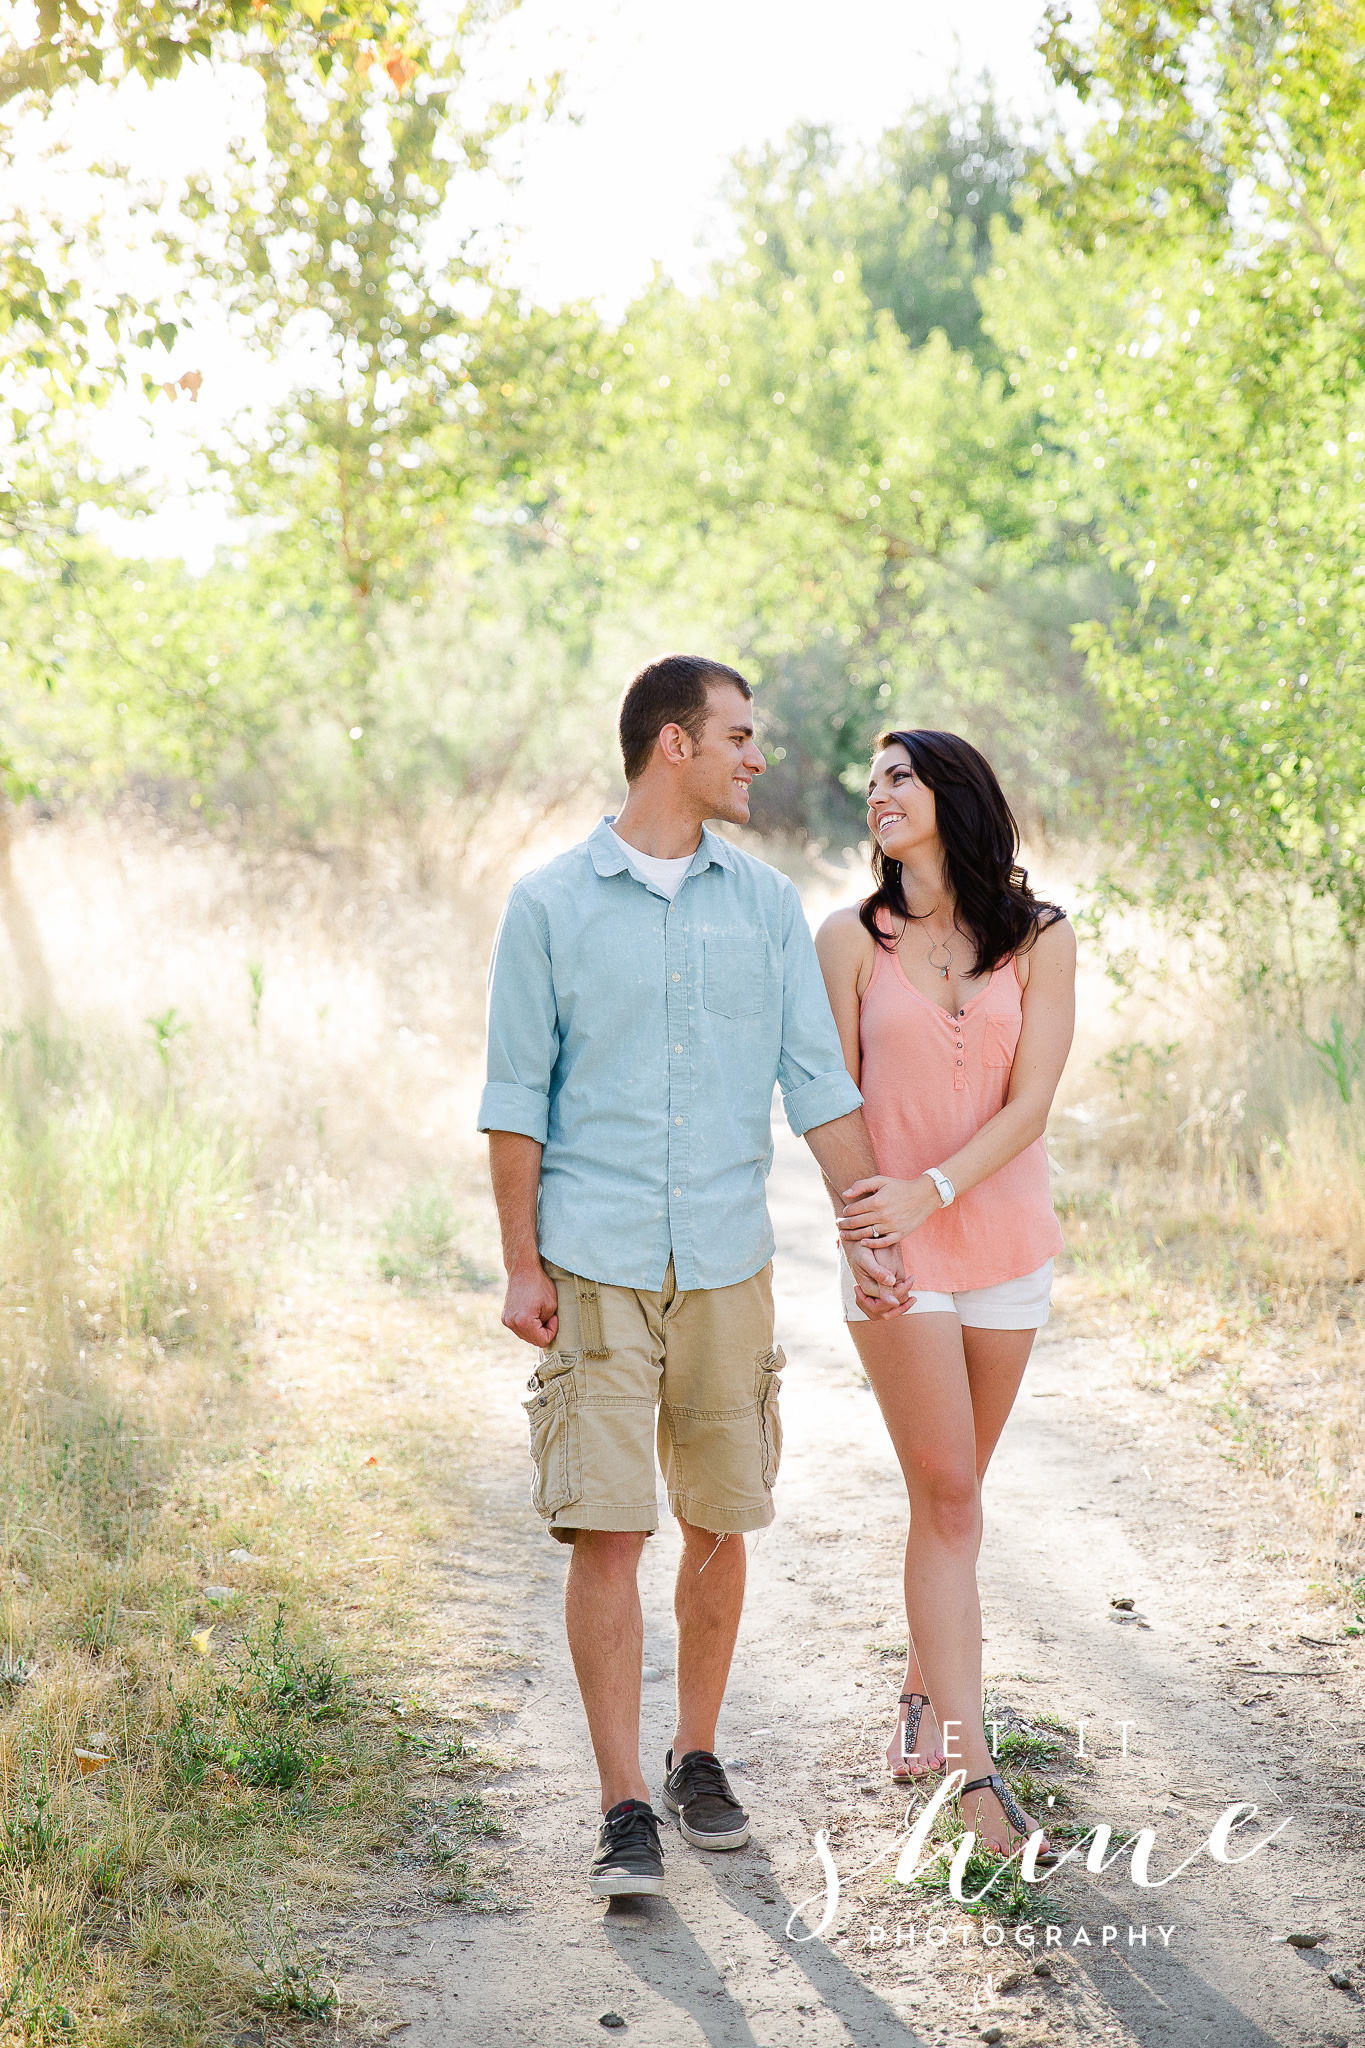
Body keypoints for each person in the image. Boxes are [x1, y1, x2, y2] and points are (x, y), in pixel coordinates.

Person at [479, 654, 911, 1900]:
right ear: (674, 743)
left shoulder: (767, 905)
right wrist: (521, 1264)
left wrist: (867, 1225)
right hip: (596, 1261)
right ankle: (622, 1802)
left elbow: (817, 1085)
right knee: (607, 1528)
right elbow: (515, 1102)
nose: (757, 756)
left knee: (722, 1516)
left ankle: (697, 1751)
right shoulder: (550, 904)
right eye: (739, 734)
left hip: (727, 1258)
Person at [815, 728, 1075, 1858]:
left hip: (1008, 1240)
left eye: (900, 777)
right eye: (872, 781)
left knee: (955, 1493)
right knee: (952, 1492)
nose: (879, 794)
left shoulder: (1040, 935)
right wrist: (874, 1222)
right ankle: (976, 1777)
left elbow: (1032, 1105)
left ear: (951, 794)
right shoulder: (848, 937)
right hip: (895, 1252)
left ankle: (924, 1685)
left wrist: (938, 1188)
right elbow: (834, 1102)